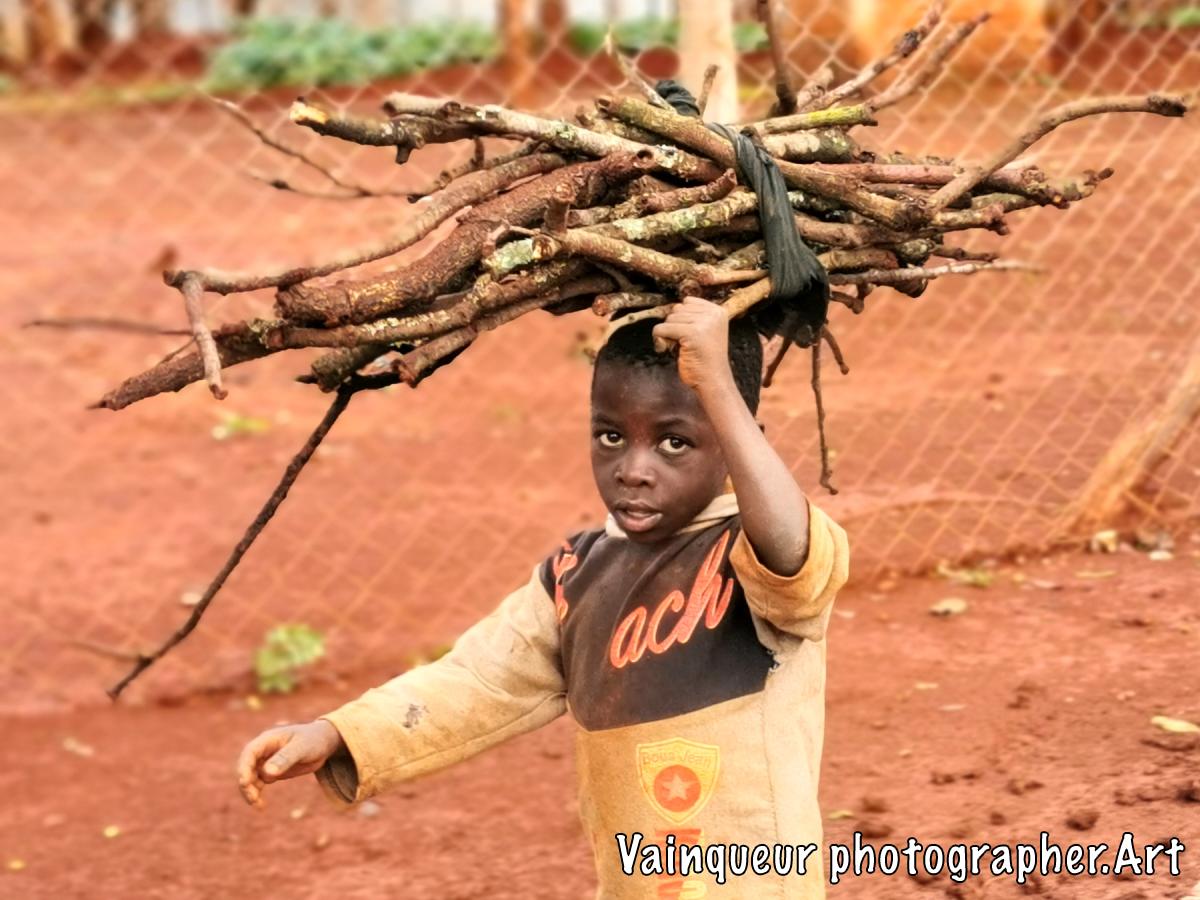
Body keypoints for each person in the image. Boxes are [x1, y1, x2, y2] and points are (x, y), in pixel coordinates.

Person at [236, 297, 850, 898]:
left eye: (674, 443)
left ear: (741, 442)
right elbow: (479, 679)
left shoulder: (753, 556)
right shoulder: (575, 574)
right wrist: (339, 733)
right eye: (611, 436)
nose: (633, 469)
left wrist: (717, 386)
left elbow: (791, 547)